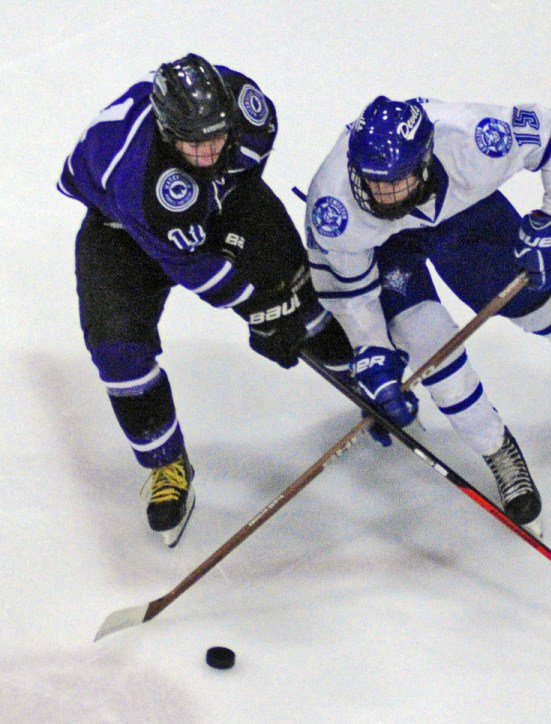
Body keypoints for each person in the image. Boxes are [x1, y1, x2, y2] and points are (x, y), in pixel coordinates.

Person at [304, 95, 551, 529]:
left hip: (464, 215)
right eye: (372, 181)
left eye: (397, 180)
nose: (384, 194)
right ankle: (497, 448)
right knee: (434, 352)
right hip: (388, 250)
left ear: (426, 158)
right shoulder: (333, 206)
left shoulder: (474, 137)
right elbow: (352, 293)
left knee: (533, 303)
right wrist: (373, 351)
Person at [58, 54, 351, 547]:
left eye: (217, 136)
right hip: (121, 232)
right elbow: (191, 265)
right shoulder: (139, 178)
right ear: (166, 129)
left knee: (295, 289)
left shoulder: (251, 112)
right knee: (118, 353)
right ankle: (166, 464)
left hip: (223, 198)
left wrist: (273, 290)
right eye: (193, 142)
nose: (208, 150)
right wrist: (257, 310)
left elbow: (242, 178)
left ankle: (359, 376)